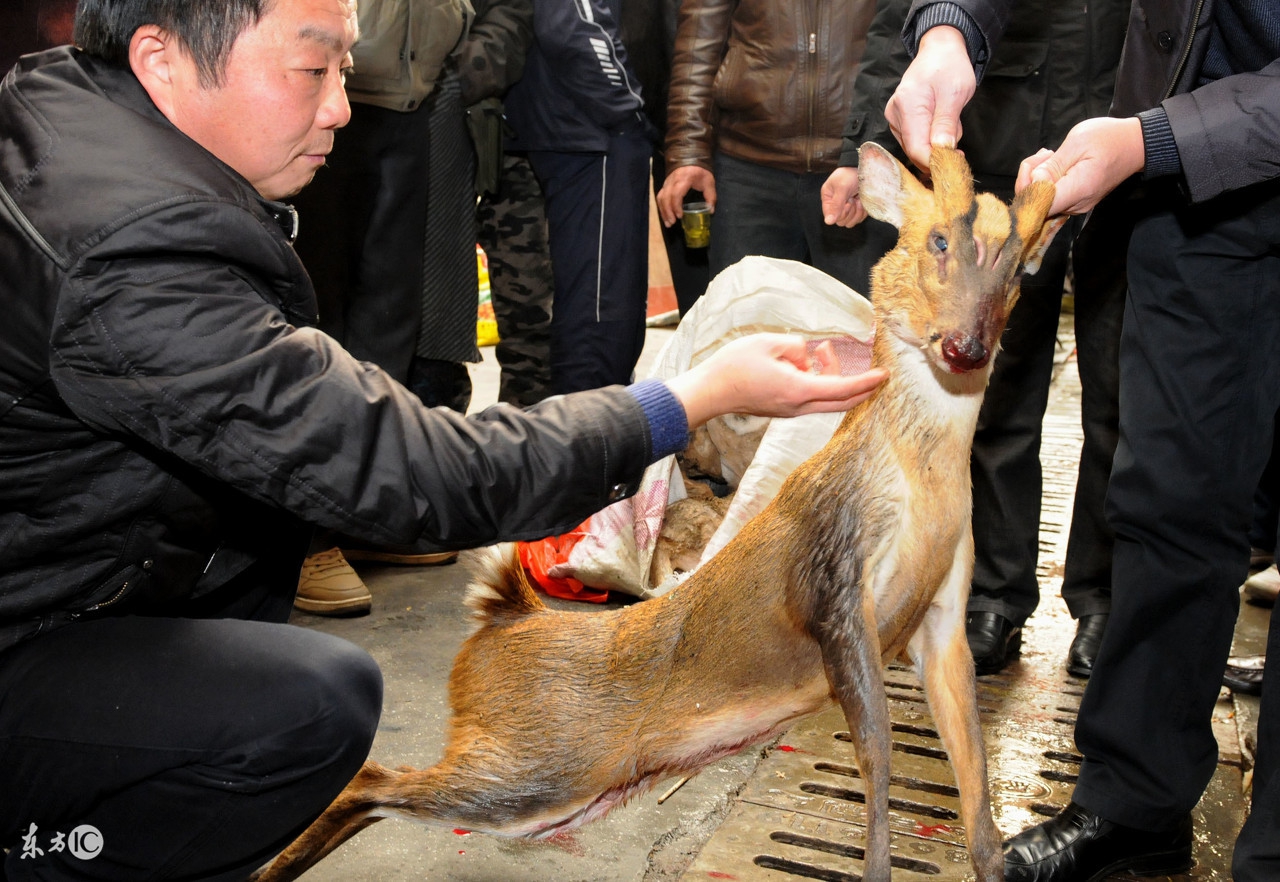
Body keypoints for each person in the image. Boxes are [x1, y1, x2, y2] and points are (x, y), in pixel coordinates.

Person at [0, 1, 890, 878]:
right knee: (310, 709)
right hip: (30, 627)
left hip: (56, 574)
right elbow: (410, 468)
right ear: (162, 58)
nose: (342, 106)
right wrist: (686, 398)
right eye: (312, 70)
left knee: (248, 577)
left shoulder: (63, 112)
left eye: (345, 70)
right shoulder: (134, 255)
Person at [876, 0, 1280, 878]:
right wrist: (949, 28)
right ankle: (1136, 800)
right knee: (1168, 492)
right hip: (1196, 195)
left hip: (1178, 137)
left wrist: (1153, 139)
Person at [828, 0, 1129, 679]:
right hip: (1000, 148)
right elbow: (899, 19)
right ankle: (994, 594)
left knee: (1123, 391)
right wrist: (862, 137)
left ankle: (1104, 596)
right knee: (993, 397)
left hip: (1129, 154)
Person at [654, 0, 896, 300]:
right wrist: (689, 150)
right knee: (743, 328)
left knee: (863, 334)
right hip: (747, 166)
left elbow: (898, 40)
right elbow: (698, 44)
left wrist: (867, 150)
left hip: (857, 167)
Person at [502, 0, 657, 395]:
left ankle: (590, 433)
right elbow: (573, 28)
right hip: (593, 134)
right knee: (602, 309)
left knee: (592, 302)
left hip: (577, 131)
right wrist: (630, 109)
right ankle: (596, 444)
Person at [464, 0, 557, 409]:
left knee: (530, 324)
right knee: (430, 331)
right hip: (429, 152)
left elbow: (498, 49)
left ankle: (526, 444)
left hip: (515, 154)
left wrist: (424, 65)